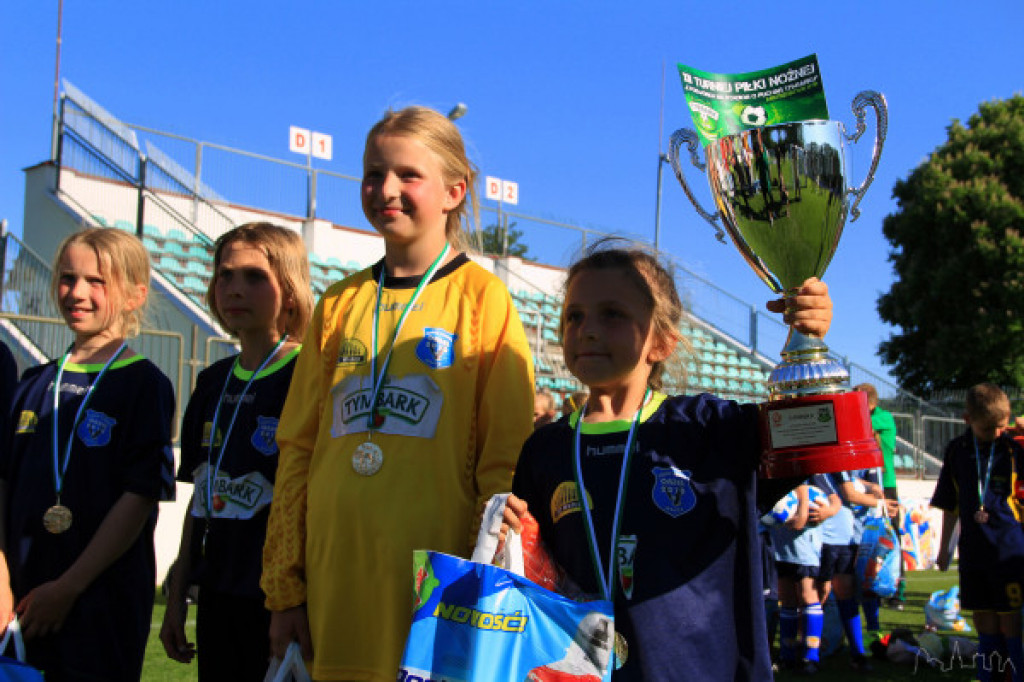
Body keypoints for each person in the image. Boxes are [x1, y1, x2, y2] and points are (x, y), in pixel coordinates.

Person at [261, 106, 535, 680]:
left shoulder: (484, 301)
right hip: (335, 575)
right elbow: (298, 450)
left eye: (408, 175)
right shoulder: (337, 304)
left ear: (454, 190)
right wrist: (284, 586)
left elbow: (503, 459)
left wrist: (481, 578)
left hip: (434, 582)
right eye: (373, 173)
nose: (386, 189)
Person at [506, 240, 833, 680]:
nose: (587, 330)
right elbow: (531, 571)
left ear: (660, 342)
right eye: (574, 316)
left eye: (613, 315)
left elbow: (814, 438)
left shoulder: (709, 428)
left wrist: (808, 340)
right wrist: (509, 528)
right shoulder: (543, 449)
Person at [0, 227, 175, 679]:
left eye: (97, 281)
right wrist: (1, 580)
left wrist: (68, 587)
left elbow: (139, 498)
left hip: (99, 604)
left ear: (135, 295)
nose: (77, 292)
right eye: (67, 278)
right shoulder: (32, 383)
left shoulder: (145, 385)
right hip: (17, 603)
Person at [160, 223, 314, 679]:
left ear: (289, 291)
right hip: (217, 592)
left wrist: (296, 594)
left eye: (253, 277)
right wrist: (176, 593)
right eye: (225, 276)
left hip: (281, 598)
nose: (234, 289)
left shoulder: (309, 375)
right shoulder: (211, 381)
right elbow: (199, 497)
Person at [933, 383, 1024, 682]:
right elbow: (950, 506)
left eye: (1002, 426)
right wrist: (945, 549)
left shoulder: (1014, 448)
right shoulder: (957, 450)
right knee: (984, 620)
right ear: (967, 419)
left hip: (1010, 550)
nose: (997, 433)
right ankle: (990, 677)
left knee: (1011, 622)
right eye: (988, 428)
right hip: (973, 552)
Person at [816, 469, 889, 672]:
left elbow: (852, 485)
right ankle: (810, 652)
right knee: (816, 594)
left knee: (845, 591)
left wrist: (870, 486)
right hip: (824, 536)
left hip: (844, 536)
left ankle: (857, 654)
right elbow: (848, 493)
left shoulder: (847, 467)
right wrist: (881, 503)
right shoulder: (830, 462)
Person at [771, 476, 840, 674]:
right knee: (787, 598)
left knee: (807, 594)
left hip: (805, 542)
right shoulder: (776, 464)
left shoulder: (813, 472)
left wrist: (825, 511)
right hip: (781, 540)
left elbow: (836, 501)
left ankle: (811, 657)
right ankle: (787, 655)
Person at [853, 382, 904, 607]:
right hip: (866, 482)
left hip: (886, 484)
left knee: (891, 538)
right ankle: (869, 584)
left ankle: (896, 591)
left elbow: (863, 427)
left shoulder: (884, 418)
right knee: (866, 539)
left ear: (870, 403)